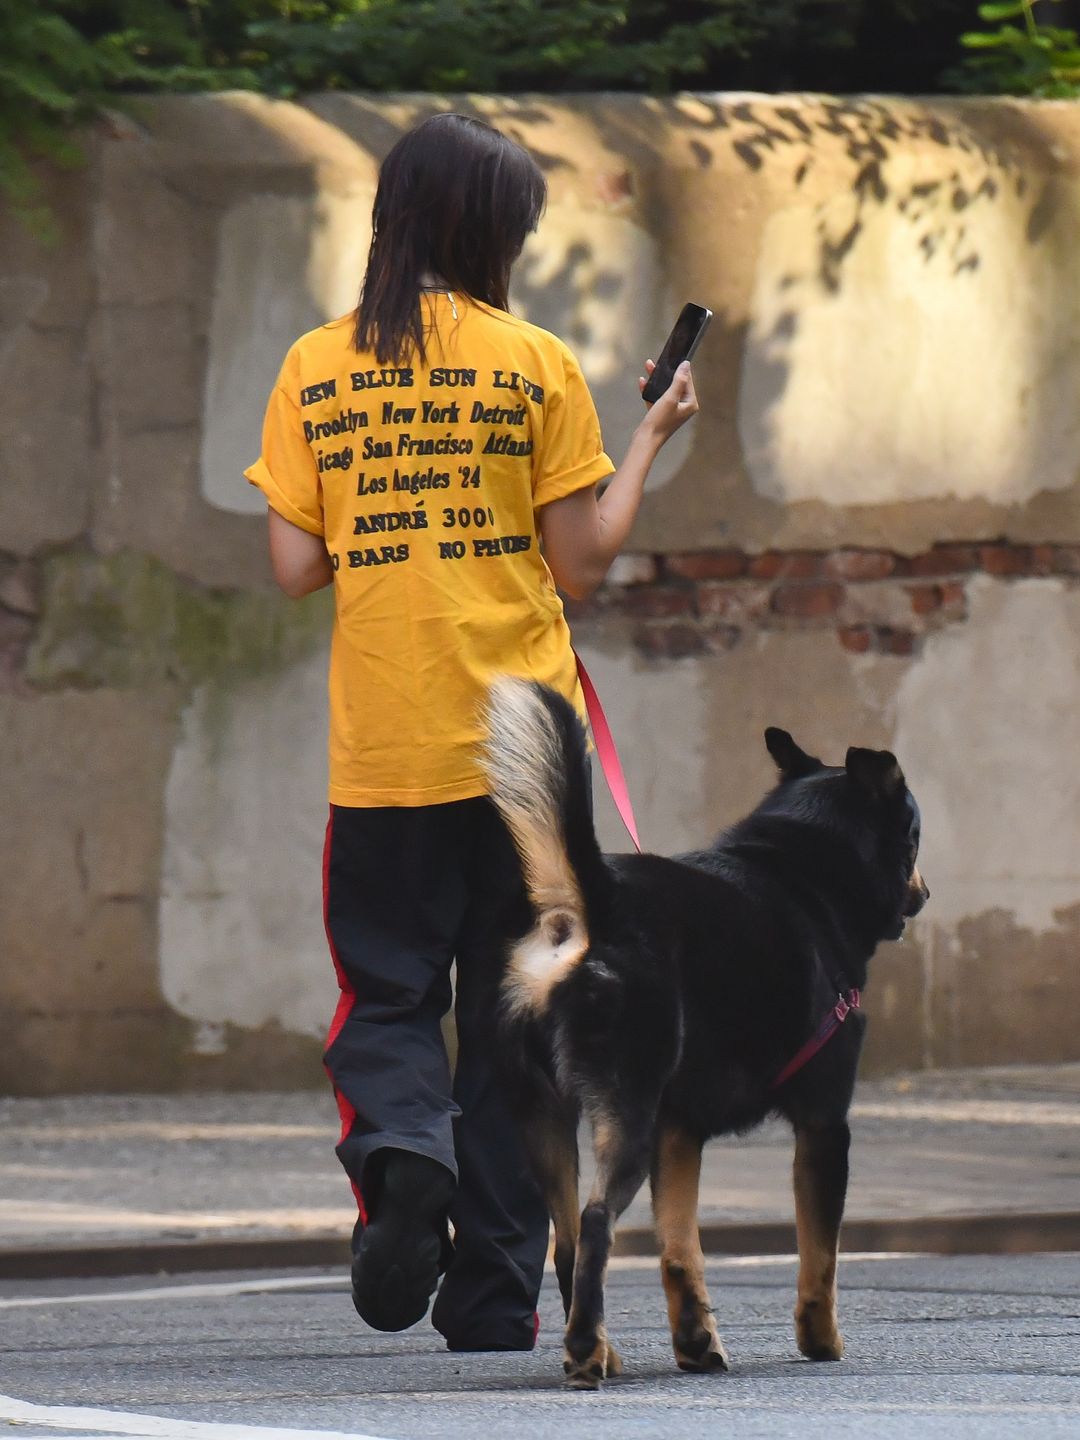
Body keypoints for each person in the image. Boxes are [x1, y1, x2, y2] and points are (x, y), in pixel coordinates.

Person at [245, 111, 699, 1353]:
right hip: (528, 764)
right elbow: (582, 561)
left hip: (386, 751)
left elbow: (292, 566)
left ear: (397, 220)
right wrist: (649, 435)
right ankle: (495, 1299)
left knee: (387, 993)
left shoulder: (313, 368)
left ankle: (400, 1157)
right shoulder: (535, 364)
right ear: (494, 232)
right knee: (526, 1017)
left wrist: (385, 508)